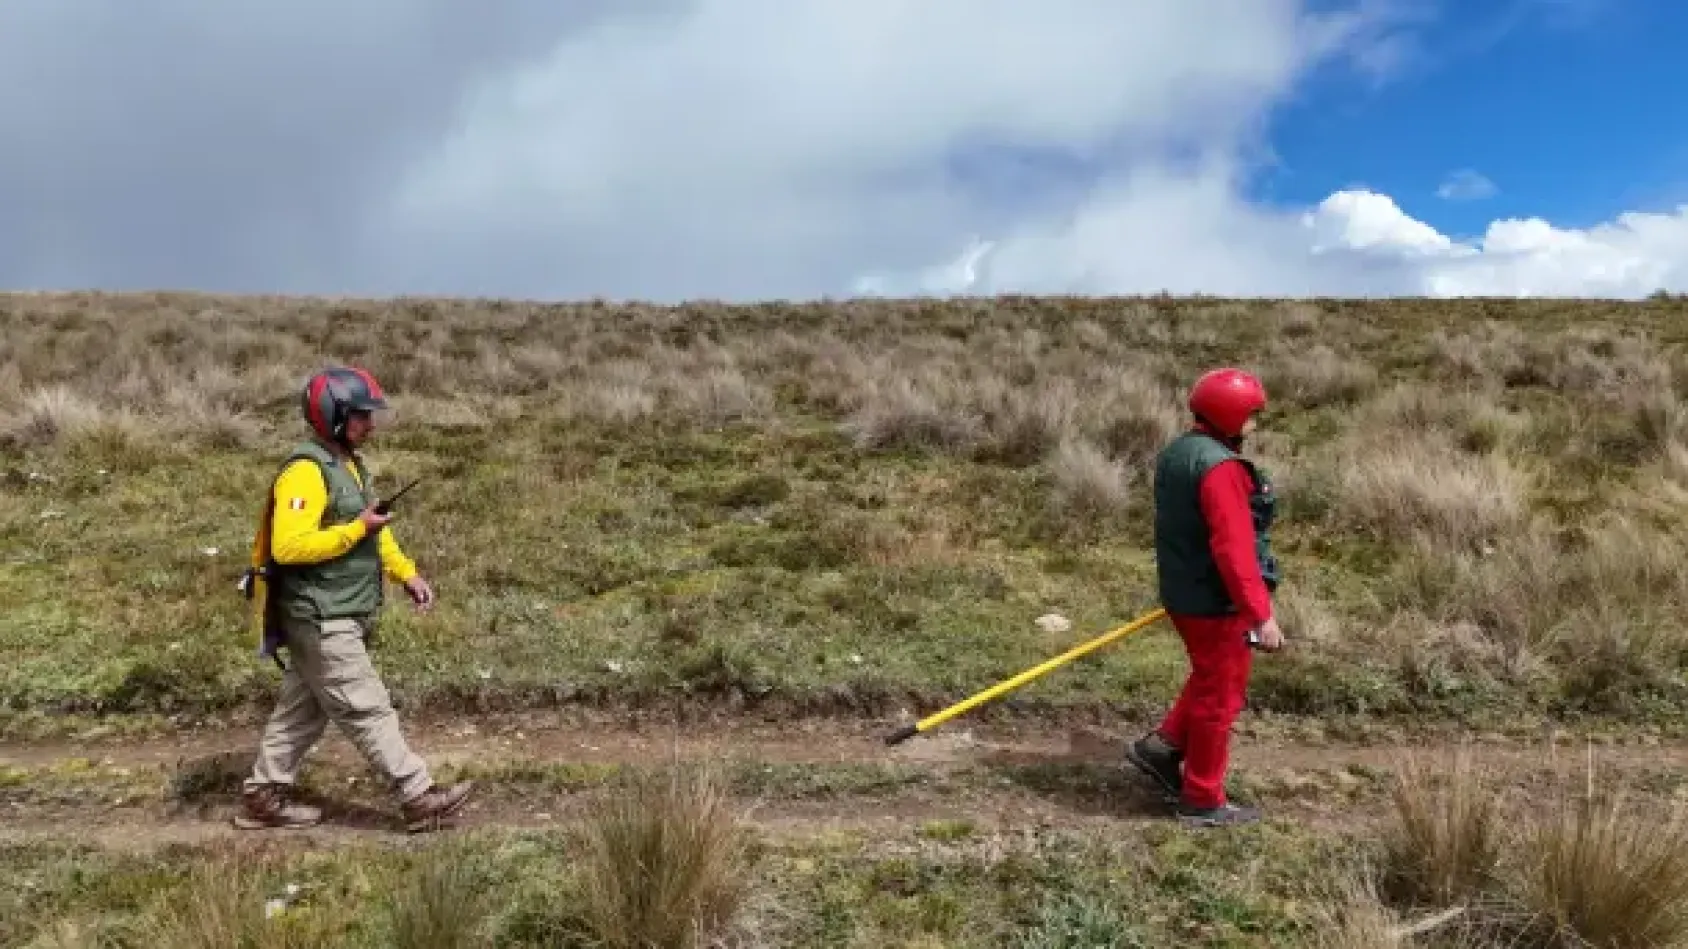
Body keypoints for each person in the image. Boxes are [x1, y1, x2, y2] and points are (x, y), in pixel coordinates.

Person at [237, 365, 473, 834]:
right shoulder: (305, 472)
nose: (371, 424)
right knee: (367, 706)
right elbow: (289, 547)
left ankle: (263, 796)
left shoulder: (349, 466)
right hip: (320, 615)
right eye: (362, 415)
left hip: (335, 610)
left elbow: (374, 533)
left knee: (303, 710)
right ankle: (417, 795)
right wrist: (354, 529)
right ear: (334, 416)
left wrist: (406, 573)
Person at [1125, 367, 1284, 827]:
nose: (1254, 425)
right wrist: (1261, 615)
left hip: (1184, 592)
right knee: (1221, 699)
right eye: (1250, 416)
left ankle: (1162, 749)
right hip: (1216, 603)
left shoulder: (1180, 452)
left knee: (1209, 676)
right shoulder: (1222, 469)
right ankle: (1202, 798)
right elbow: (1235, 551)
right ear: (1230, 416)